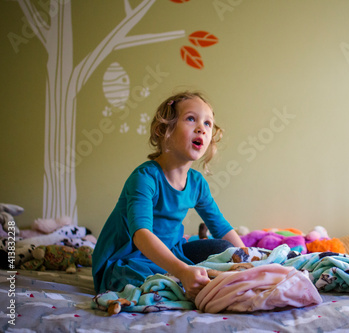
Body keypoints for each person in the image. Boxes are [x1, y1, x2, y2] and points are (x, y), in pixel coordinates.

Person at [92, 91, 244, 299]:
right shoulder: (145, 177)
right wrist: (182, 270)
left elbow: (221, 227)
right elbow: (141, 235)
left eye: (208, 123)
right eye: (191, 119)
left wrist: (248, 259)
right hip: (128, 259)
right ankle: (186, 278)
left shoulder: (197, 183)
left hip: (172, 252)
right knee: (142, 279)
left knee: (226, 249)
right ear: (165, 130)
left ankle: (191, 276)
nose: (202, 128)